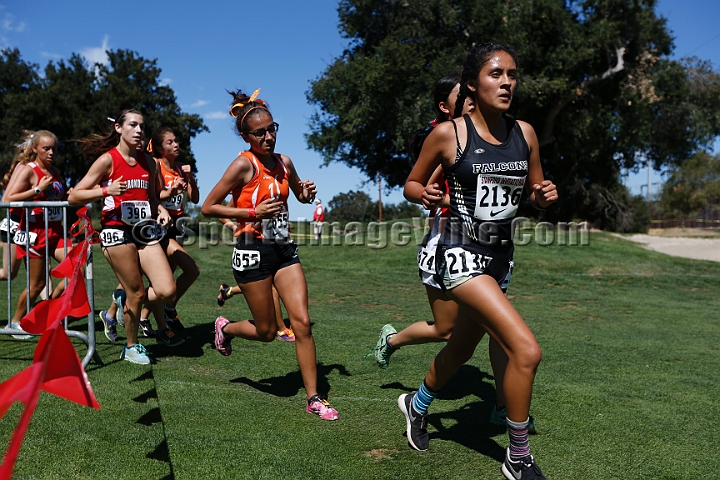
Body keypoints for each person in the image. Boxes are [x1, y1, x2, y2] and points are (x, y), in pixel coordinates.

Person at [400, 44, 557, 480]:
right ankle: (517, 456)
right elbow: (412, 183)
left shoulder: (524, 133)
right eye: (495, 74)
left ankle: (416, 405)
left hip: (499, 260)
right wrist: (424, 193)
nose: (507, 82)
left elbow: (534, 190)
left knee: (461, 347)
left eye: (511, 74)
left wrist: (542, 197)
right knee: (525, 350)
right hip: (458, 254)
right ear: (473, 83)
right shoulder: (450, 134)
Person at [373, 74, 535, 433]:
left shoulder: (504, 135)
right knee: (449, 331)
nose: (473, 99)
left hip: (493, 247)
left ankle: (499, 405)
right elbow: (419, 187)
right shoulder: (445, 136)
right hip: (451, 241)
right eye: (464, 95)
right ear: (447, 106)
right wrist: (447, 199)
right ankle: (394, 341)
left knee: (483, 334)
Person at [201, 88, 338, 420]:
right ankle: (226, 327)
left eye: (272, 129)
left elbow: (298, 197)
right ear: (247, 136)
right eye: (260, 132)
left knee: (301, 323)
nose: (268, 137)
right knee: (265, 332)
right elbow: (208, 206)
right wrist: (251, 214)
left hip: (284, 249)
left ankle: (314, 398)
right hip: (251, 251)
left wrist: (304, 194)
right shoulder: (242, 165)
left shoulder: (284, 162)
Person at [69, 109, 183, 364]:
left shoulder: (150, 162)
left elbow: (152, 198)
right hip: (115, 231)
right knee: (138, 294)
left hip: (144, 230)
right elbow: (74, 196)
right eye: (133, 125)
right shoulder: (107, 160)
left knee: (167, 289)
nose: (140, 130)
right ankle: (131, 346)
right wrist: (105, 189)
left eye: (142, 125)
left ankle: (124, 299)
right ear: (119, 129)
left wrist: (161, 209)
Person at [3, 130, 69, 338]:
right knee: (36, 283)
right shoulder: (29, 170)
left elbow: (59, 197)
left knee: (78, 266)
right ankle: (16, 322)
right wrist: (37, 190)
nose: (51, 153)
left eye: (54, 149)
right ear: (35, 149)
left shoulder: (55, 171)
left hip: (56, 231)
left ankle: (48, 311)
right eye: (46, 149)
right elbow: (8, 198)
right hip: (35, 232)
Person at [217, 202, 295, 342]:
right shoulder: (246, 187)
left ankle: (228, 291)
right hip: (251, 247)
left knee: (265, 285)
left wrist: (282, 227)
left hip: (275, 247)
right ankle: (282, 329)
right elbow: (222, 213)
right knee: (269, 286)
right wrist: (235, 227)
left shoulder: (276, 185)